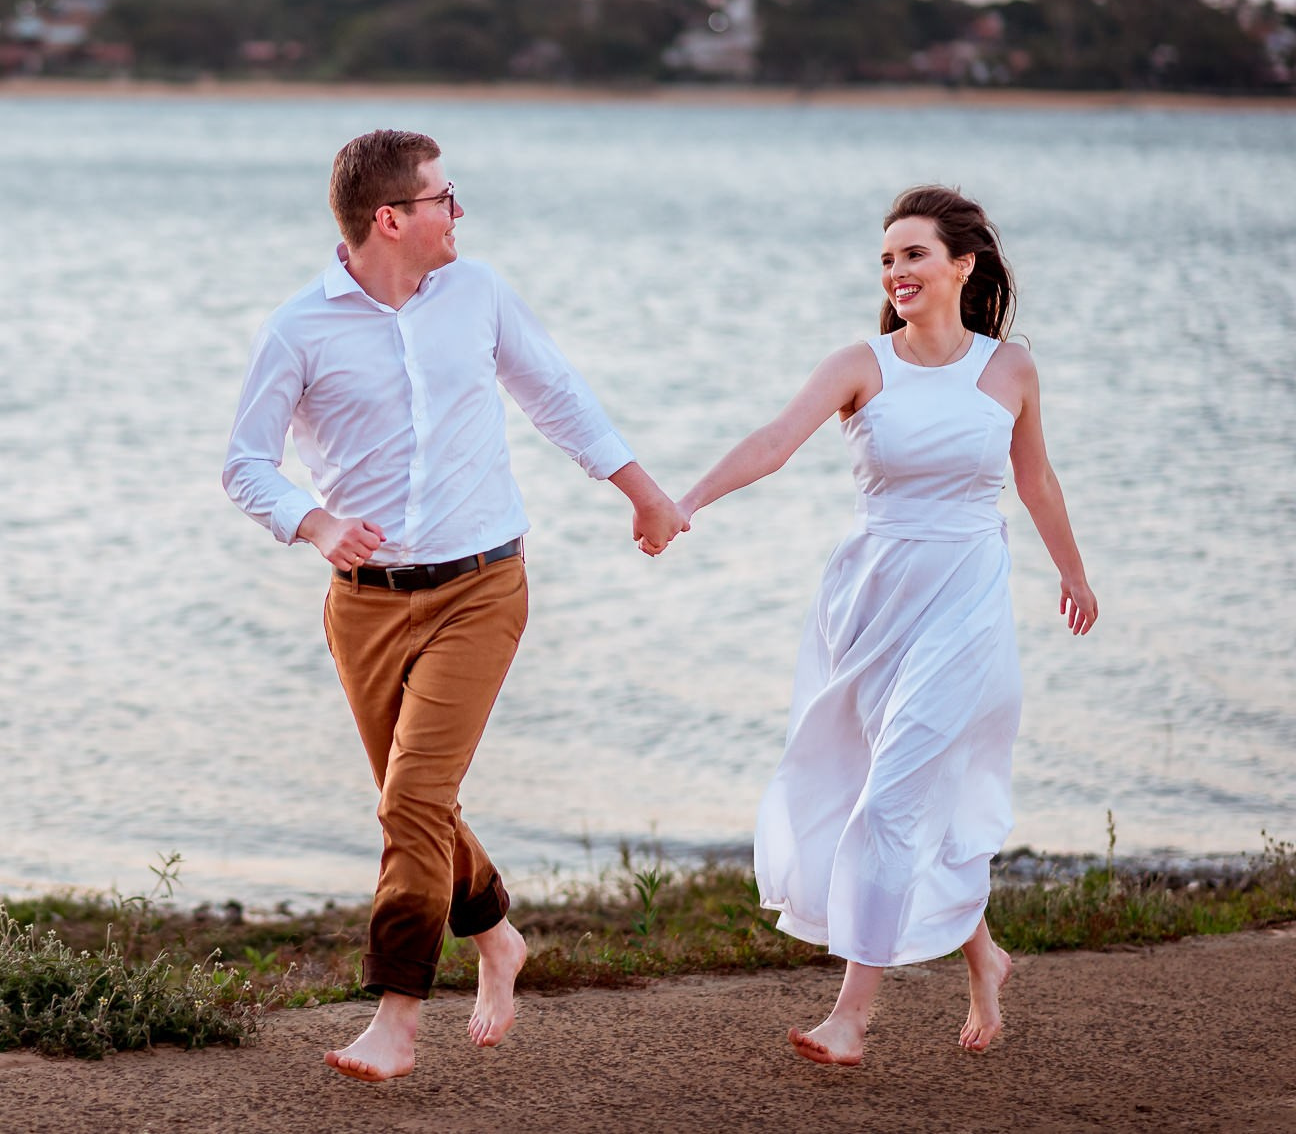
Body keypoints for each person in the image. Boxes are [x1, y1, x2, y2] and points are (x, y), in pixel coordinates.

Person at [222, 129, 686, 1082]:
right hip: (364, 606)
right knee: (417, 804)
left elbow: (556, 393)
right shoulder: (296, 328)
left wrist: (640, 490)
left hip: (482, 585)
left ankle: (396, 1014)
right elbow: (244, 463)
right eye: (442, 198)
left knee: (413, 801)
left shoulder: (478, 295)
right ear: (391, 219)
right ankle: (498, 937)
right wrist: (311, 523)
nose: (458, 212)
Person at [675, 185, 1098, 1065]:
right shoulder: (861, 363)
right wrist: (686, 500)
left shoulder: (1010, 368)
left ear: (962, 264)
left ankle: (852, 1015)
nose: (897, 271)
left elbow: (1037, 480)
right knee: (884, 783)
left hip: (967, 600)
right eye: (887, 259)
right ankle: (985, 955)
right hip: (869, 603)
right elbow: (772, 440)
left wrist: (1072, 569)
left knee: (895, 790)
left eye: (913, 254)